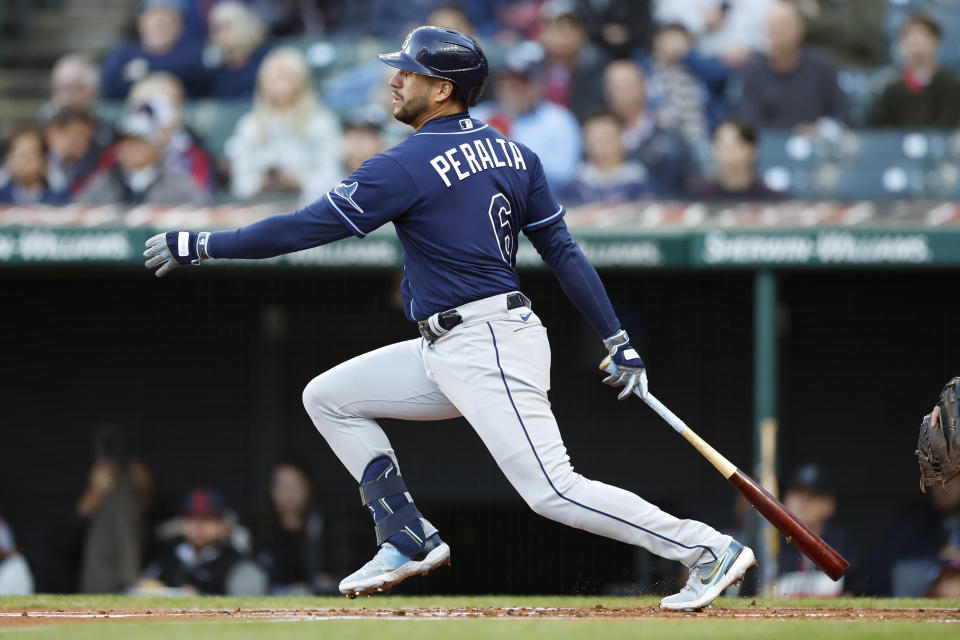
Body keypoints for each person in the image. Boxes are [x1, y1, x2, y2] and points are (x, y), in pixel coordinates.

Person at [143, 25, 756, 611]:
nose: (394, 82)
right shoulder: (515, 154)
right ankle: (406, 533)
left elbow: (305, 228)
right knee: (328, 397)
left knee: (553, 491)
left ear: (443, 88)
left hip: (485, 342)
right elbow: (564, 253)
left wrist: (202, 244)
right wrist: (615, 336)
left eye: (407, 73)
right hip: (456, 344)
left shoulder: (406, 164)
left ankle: (706, 547)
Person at [225, 47, 342, 203]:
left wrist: (298, 182)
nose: (280, 83)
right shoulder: (249, 125)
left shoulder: (321, 121)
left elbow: (332, 174)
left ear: (301, 80)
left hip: (310, 205)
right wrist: (263, 183)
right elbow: (240, 181)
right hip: (261, 205)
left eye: (287, 76)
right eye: (274, 77)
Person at [472, 45, 582, 192]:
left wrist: (513, 149)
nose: (510, 88)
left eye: (521, 82)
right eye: (505, 81)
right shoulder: (477, 116)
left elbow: (565, 175)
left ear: (538, 85)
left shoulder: (559, 120)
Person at [737, 0, 848, 132]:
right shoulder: (754, 75)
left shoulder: (822, 68)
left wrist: (820, 130)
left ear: (801, 28)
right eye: (773, 27)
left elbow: (842, 116)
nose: (778, 33)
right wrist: (791, 132)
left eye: (784, 26)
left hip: (818, 147)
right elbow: (750, 125)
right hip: (771, 149)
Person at [138, 488, 265, 595]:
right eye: (192, 519)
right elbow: (141, 590)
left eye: (206, 519)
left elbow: (246, 607)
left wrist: (200, 598)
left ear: (222, 525)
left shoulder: (236, 563)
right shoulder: (169, 556)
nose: (198, 527)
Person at [77, 105, 206, 205]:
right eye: (124, 142)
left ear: (155, 146)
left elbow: (203, 216)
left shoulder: (179, 185)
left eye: (138, 142)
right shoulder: (102, 184)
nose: (129, 148)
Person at [603, 59, 694, 198]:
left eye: (625, 85)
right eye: (613, 87)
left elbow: (685, 185)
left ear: (643, 87)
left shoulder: (668, 137)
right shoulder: (599, 135)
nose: (619, 93)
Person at [255, 461, 338, 594]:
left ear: (309, 487)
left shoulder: (323, 527)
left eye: (295, 485)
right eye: (282, 486)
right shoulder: (257, 530)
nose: (288, 493)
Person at [101, 0, 211, 99]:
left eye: (168, 17)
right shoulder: (123, 53)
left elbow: (197, 75)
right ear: (141, 22)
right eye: (153, 16)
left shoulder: (194, 53)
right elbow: (110, 85)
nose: (160, 23)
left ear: (180, 26)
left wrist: (143, 70)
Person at [773, 464, 853, 597]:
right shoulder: (770, 542)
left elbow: (856, 593)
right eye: (797, 492)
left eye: (813, 494)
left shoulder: (842, 544)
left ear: (830, 505)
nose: (803, 501)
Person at [869, 12, 960, 129]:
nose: (915, 42)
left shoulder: (951, 85)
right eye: (909, 36)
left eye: (922, 35)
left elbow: (948, 125)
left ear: (936, 41)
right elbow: (879, 129)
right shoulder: (892, 89)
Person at [537, 1, 609, 122]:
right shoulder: (534, 65)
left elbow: (591, 113)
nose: (564, 35)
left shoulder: (593, 65)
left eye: (571, 27)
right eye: (557, 27)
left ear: (582, 33)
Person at [563, 112, 651, 205]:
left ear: (621, 140)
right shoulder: (577, 184)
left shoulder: (637, 179)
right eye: (594, 141)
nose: (600, 146)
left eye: (606, 140)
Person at [696, 120, 780, 201]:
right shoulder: (700, 198)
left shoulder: (774, 200)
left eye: (733, 146)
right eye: (720, 147)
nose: (726, 153)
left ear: (753, 151)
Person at [205, 1, 272, 99]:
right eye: (216, 29)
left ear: (244, 25)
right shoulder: (214, 69)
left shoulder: (267, 59)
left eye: (227, 27)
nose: (220, 35)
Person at [44, 107, 107, 195]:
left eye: (86, 139)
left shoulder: (92, 168)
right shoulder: (35, 161)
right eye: (76, 136)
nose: (81, 144)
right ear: (53, 132)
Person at [0, 129, 70, 205]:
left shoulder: (59, 198)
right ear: (8, 160)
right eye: (19, 155)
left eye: (29, 155)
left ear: (44, 160)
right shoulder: (2, 197)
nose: (24, 162)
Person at [0, 508, 34, 595]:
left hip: (5, 563)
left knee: (17, 561)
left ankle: (18, 594)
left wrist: (11, 552)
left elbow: (9, 548)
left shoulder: (4, 525)